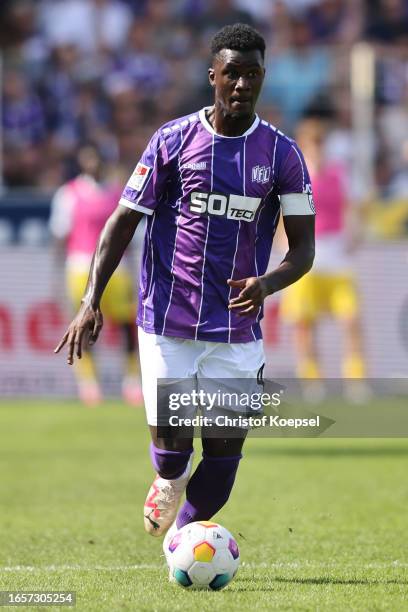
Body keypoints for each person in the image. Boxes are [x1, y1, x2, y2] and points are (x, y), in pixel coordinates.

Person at [54, 23, 315, 562]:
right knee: (174, 456)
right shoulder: (173, 140)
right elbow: (123, 221)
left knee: (219, 470)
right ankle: (169, 486)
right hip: (167, 322)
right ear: (212, 75)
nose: (242, 84)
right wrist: (90, 300)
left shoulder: (282, 155)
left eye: (252, 75)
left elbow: (303, 251)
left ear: (263, 78)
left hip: (236, 332)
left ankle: (184, 545)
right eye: (232, 74)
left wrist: (267, 283)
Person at [50, 144, 142, 406]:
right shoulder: (68, 194)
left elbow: (129, 236)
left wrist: (136, 270)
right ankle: (90, 385)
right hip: (80, 267)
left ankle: (132, 382)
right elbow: (60, 236)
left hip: (117, 268)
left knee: (127, 326)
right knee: (85, 327)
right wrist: (57, 274)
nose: (92, 163)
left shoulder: (118, 193)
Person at [280, 117, 366, 382]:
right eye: (312, 143)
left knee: (350, 319)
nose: (317, 148)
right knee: (305, 323)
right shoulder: (294, 176)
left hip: (337, 258)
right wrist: (287, 247)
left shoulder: (339, 173)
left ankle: (356, 378)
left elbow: (354, 206)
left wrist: (354, 233)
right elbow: (283, 216)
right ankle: (311, 379)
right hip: (307, 258)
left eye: (320, 143)